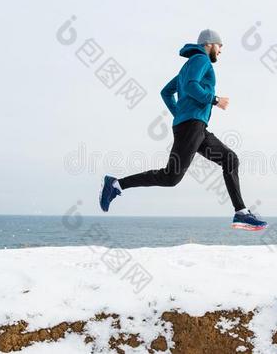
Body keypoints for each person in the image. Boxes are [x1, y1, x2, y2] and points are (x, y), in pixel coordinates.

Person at [99, 29, 267, 231]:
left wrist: (180, 113)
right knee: (171, 177)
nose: (221, 50)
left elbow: (166, 92)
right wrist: (214, 100)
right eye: (220, 45)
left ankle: (241, 213)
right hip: (191, 126)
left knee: (230, 159)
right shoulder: (201, 59)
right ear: (209, 44)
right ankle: (116, 184)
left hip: (196, 127)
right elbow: (190, 86)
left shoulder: (187, 66)